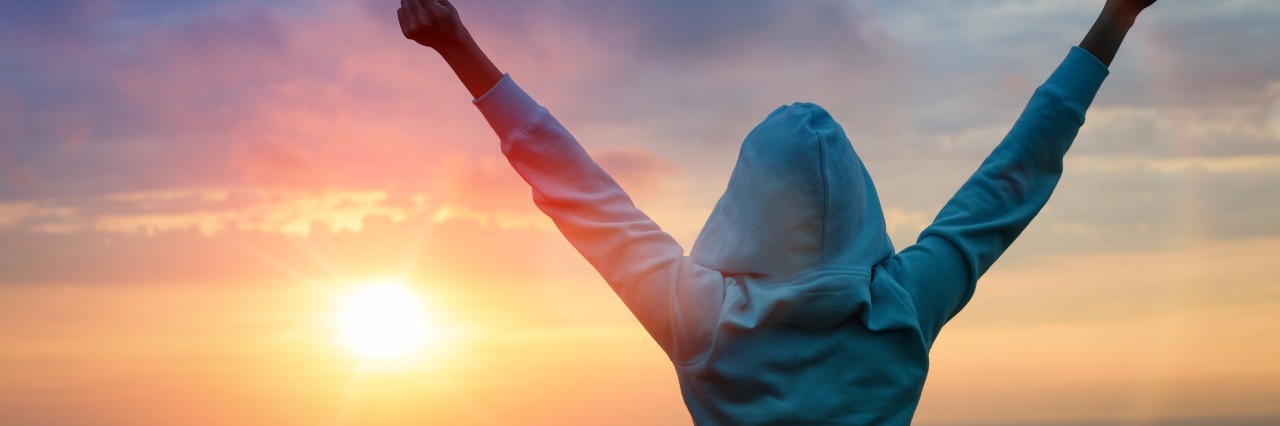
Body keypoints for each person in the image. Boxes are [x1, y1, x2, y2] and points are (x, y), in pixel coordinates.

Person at [397, 1, 1158, 424]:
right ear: (858, 198)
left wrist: (459, 49)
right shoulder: (901, 307)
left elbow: (584, 195)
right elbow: (1011, 181)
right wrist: (1116, 16)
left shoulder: (700, 315)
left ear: (742, 203)